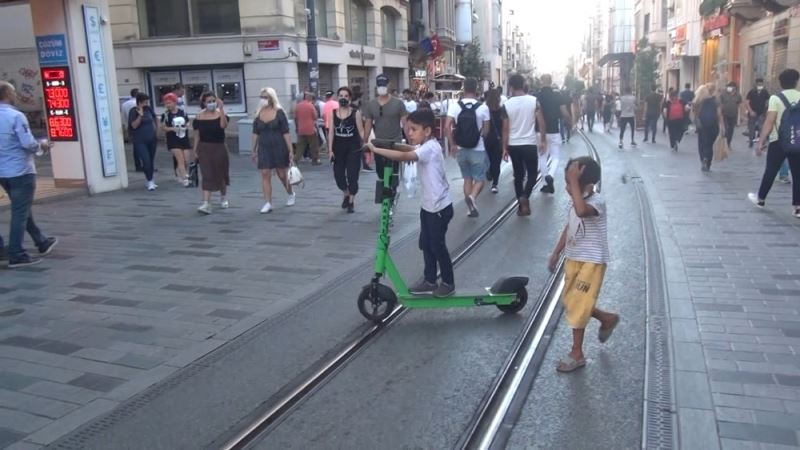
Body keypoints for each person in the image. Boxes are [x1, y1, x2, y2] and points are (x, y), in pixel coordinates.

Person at [367, 109, 455, 297]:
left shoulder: (430, 148)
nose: (410, 133)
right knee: (426, 243)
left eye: (414, 130)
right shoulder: (425, 145)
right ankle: (430, 280)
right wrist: (388, 144)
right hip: (428, 207)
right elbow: (407, 149)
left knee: (437, 246)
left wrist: (376, 150)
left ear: (428, 131)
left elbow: (405, 156)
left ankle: (448, 282)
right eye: (408, 129)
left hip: (439, 208)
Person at [547, 157, 617, 373]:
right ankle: (607, 318)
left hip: (592, 262)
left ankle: (577, 353)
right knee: (571, 300)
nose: (568, 188)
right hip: (574, 258)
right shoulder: (574, 200)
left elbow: (581, 211)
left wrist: (575, 184)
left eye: (571, 183)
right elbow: (570, 226)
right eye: (567, 183)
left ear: (587, 185)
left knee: (578, 303)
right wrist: (556, 251)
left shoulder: (597, 202)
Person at [0, 80, 58, 268]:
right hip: (20, 170)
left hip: (2, 172)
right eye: (14, 92)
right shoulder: (16, 116)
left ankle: (41, 241)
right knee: (19, 211)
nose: (16, 95)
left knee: (21, 208)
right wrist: (42, 145)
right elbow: (28, 143)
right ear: (8, 94)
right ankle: (16, 254)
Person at [748, 68, 800, 218]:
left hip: (778, 141)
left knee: (771, 170)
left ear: (780, 83)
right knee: (797, 174)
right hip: (797, 140)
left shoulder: (776, 99)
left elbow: (769, 122)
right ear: (796, 82)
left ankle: (761, 199)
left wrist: (761, 141)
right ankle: (797, 207)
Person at [502, 74, 547, 216]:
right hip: (529, 143)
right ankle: (525, 197)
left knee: (519, 176)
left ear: (511, 86)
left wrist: (504, 147)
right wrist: (543, 140)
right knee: (533, 174)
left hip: (514, 145)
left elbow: (505, 128)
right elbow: (541, 123)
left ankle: (521, 207)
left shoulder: (507, 105)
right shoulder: (534, 101)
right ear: (524, 85)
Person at [446, 77, 490, 218]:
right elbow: (486, 130)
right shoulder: (483, 107)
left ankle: (470, 209)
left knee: (467, 178)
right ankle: (473, 196)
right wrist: (479, 135)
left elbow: (447, 126)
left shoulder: (455, 106)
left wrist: (452, 144)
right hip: (478, 148)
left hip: (460, 148)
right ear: (476, 89)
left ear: (464, 88)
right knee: (480, 179)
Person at [252, 87, 296, 214]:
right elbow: (255, 133)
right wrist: (253, 150)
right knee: (265, 173)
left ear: (272, 98)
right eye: (262, 97)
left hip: (279, 146)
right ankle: (268, 202)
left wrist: (290, 150)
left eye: (266, 97)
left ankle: (290, 192)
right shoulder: (258, 113)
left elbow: (286, 133)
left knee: (282, 174)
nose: (263, 100)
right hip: (264, 147)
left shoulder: (279, 112)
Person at [363, 74, 408, 181]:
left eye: (384, 85)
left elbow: (405, 124)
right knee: (381, 173)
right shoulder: (371, 104)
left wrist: (410, 143)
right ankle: (384, 191)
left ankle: (391, 192)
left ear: (388, 86)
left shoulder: (398, 103)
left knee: (393, 173)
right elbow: (368, 124)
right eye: (379, 85)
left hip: (395, 143)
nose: (382, 88)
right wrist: (365, 141)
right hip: (379, 143)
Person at [329, 87, 365, 213]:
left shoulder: (356, 113)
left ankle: (351, 201)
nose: (343, 98)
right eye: (341, 95)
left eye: (346, 96)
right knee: (338, 176)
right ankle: (346, 193)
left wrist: (367, 144)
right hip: (338, 149)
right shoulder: (333, 113)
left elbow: (361, 131)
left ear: (349, 98)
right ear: (337, 97)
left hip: (353, 148)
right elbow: (331, 132)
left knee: (352, 176)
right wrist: (330, 150)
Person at [193, 91, 230, 214]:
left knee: (220, 173)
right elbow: (197, 135)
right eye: (208, 102)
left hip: (219, 147)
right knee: (207, 174)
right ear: (203, 103)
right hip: (204, 148)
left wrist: (221, 109)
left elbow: (223, 126)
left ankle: (223, 196)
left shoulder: (220, 114)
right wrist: (195, 150)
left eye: (213, 101)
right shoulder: (198, 116)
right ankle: (206, 203)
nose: (211, 104)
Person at [537, 74, 571, 194]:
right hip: (554, 130)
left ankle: (546, 183)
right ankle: (550, 176)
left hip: (539, 131)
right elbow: (565, 113)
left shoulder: (537, 96)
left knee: (542, 156)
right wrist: (569, 123)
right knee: (555, 157)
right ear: (551, 82)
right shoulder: (557, 96)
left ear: (541, 82)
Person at [128, 92, 159, 190]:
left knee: (151, 160)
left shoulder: (149, 109)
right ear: (139, 103)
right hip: (140, 140)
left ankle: (149, 179)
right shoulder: (133, 111)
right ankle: (150, 181)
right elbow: (134, 125)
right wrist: (140, 116)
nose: (146, 105)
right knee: (146, 161)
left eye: (147, 102)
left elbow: (154, 119)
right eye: (145, 103)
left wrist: (156, 130)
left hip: (151, 139)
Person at [161, 93, 193, 187]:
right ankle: (185, 178)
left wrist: (186, 126)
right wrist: (172, 129)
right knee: (180, 159)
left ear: (175, 102)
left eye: (169, 103)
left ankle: (180, 172)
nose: (168, 105)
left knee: (186, 160)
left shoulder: (182, 112)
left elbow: (188, 122)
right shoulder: (165, 115)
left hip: (183, 138)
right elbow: (163, 127)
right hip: (173, 139)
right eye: (166, 103)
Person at [693, 83, 725, 172]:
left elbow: (694, 114)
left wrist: (696, 121)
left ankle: (703, 158)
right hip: (713, 125)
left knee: (702, 143)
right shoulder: (716, 100)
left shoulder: (698, 100)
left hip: (702, 125)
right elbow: (719, 114)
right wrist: (722, 126)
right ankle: (708, 161)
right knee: (709, 144)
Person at [484, 88, 506, 194]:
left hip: (487, 139)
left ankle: (490, 171)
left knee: (489, 160)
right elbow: (505, 127)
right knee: (496, 162)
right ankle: (495, 184)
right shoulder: (502, 110)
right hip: (499, 140)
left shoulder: (484, 110)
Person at [294, 92, 321, 165]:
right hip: (310, 129)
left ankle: (296, 159)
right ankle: (315, 160)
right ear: (307, 97)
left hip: (301, 129)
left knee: (300, 146)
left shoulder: (297, 106)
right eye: (310, 97)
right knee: (314, 145)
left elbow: (295, 118)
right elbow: (315, 116)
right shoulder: (310, 105)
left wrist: (297, 127)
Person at [746, 78, 769, 149]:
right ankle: (751, 141)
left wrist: (766, 110)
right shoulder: (751, 92)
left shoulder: (765, 92)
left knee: (761, 128)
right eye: (758, 84)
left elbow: (768, 100)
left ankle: (762, 143)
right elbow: (747, 102)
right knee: (751, 128)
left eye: (761, 84)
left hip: (761, 113)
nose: (760, 86)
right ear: (756, 84)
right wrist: (750, 111)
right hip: (752, 113)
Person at [121, 88, 141, 168]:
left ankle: (137, 164)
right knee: (142, 146)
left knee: (135, 147)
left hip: (130, 127)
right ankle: (142, 163)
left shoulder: (124, 104)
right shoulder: (137, 104)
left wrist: (126, 127)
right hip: (139, 126)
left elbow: (124, 117)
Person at [720, 81, 742, 148]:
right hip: (725, 114)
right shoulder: (723, 94)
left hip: (733, 115)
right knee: (726, 129)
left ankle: (728, 143)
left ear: (735, 88)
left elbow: (740, 104)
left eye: (732, 87)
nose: (730, 88)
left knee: (731, 130)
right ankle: (725, 143)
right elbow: (720, 103)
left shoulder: (738, 95)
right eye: (729, 87)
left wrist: (741, 116)